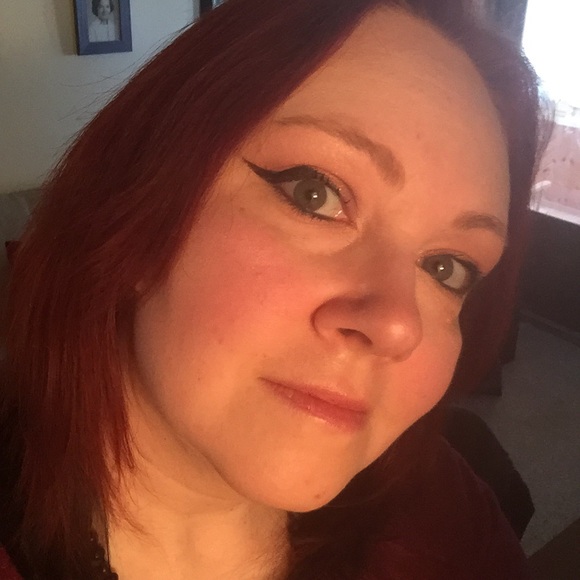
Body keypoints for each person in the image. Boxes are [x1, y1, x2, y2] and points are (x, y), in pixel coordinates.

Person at [0, 0, 543, 578]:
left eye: (447, 268)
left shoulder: (451, 519)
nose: (396, 325)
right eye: (315, 193)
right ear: (135, 206)